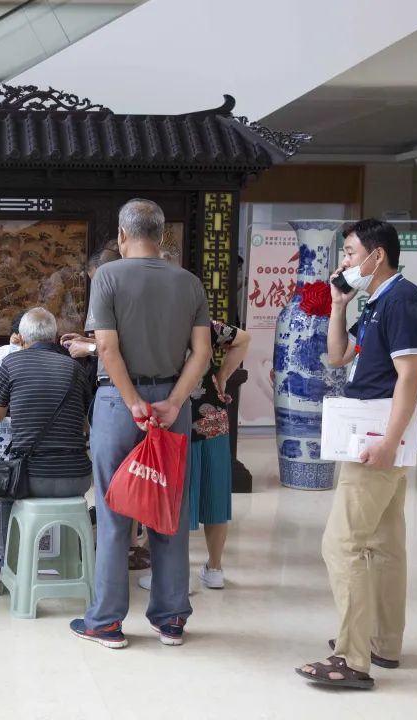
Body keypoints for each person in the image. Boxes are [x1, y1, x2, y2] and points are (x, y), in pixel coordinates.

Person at [70, 199, 211, 649]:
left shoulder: (108, 276)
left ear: (122, 233)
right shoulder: (189, 282)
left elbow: (107, 350)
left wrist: (133, 403)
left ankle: (106, 623)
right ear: (163, 235)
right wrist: (172, 401)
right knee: (168, 509)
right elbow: (203, 354)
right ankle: (170, 619)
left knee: (114, 514)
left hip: (118, 403)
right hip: (173, 405)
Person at [297, 219, 417, 691]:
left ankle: (351, 659)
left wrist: (389, 441)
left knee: (341, 544)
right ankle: (382, 643)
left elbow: (409, 378)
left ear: (377, 256)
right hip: (379, 437)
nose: (345, 263)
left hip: (379, 440)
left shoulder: (403, 300)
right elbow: (338, 356)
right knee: (384, 545)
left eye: (351, 253)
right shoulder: (377, 303)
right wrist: (337, 304)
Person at [138, 319, 251, 591]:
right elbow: (243, 339)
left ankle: (176, 574)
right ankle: (214, 569)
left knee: (174, 495)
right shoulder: (205, 324)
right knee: (215, 493)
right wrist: (221, 377)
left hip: (172, 418)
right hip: (212, 416)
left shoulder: (157, 326)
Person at [0, 307, 92, 580]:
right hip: (77, 477)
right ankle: (70, 560)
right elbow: (84, 422)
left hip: (30, 477)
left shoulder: (11, 364)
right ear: (55, 336)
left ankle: (1, 560)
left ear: (20, 337)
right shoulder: (76, 368)